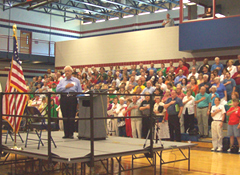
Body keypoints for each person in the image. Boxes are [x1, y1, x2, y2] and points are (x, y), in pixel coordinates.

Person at [56, 65, 82, 139]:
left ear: (71, 72)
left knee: (71, 116)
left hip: (72, 98)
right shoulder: (62, 81)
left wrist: (78, 102)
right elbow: (57, 90)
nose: (67, 72)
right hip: (64, 98)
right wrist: (66, 87)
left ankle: (71, 133)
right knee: (65, 116)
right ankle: (66, 133)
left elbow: (79, 91)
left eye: (68, 71)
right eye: (65, 71)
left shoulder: (76, 81)